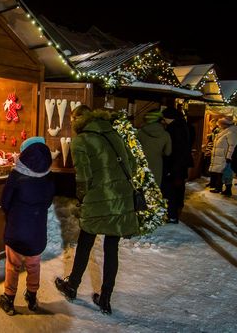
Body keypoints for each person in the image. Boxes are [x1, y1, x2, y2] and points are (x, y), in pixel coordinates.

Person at [54, 105, 139, 315]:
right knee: (112, 248)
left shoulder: (81, 141)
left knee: (85, 243)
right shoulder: (113, 132)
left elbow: (83, 177)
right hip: (122, 199)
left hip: (98, 199)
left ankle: (72, 285)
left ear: (77, 119)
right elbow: (134, 163)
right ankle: (105, 299)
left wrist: (83, 198)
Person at [0, 136, 55, 315]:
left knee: (13, 265)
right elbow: (47, 202)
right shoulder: (49, 178)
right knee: (34, 265)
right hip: (37, 233)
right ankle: (32, 296)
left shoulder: (16, 176)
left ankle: (9, 297)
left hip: (17, 230)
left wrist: (12, 213)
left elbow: (4, 202)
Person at [162, 107, 193, 224]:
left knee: (172, 190)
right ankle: (176, 211)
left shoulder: (174, 128)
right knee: (178, 190)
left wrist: (171, 167)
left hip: (175, 166)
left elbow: (175, 150)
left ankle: (173, 214)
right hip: (180, 165)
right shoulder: (184, 126)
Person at [137, 109, 172, 186]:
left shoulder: (139, 132)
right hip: (157, 166)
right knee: (154, 190)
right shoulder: (165, 134)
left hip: (141, 165)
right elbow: (167, 152)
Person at [209, 117, 237, 196]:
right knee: (220, 172)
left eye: (220, 124)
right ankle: (219, 188)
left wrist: (229, 156)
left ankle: (227, 190)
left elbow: (232, 145)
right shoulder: (225, 131)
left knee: (226, 173)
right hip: (221, 155)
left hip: (225, 156)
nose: (219, 126)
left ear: (225, 124)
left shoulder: (231, 132)